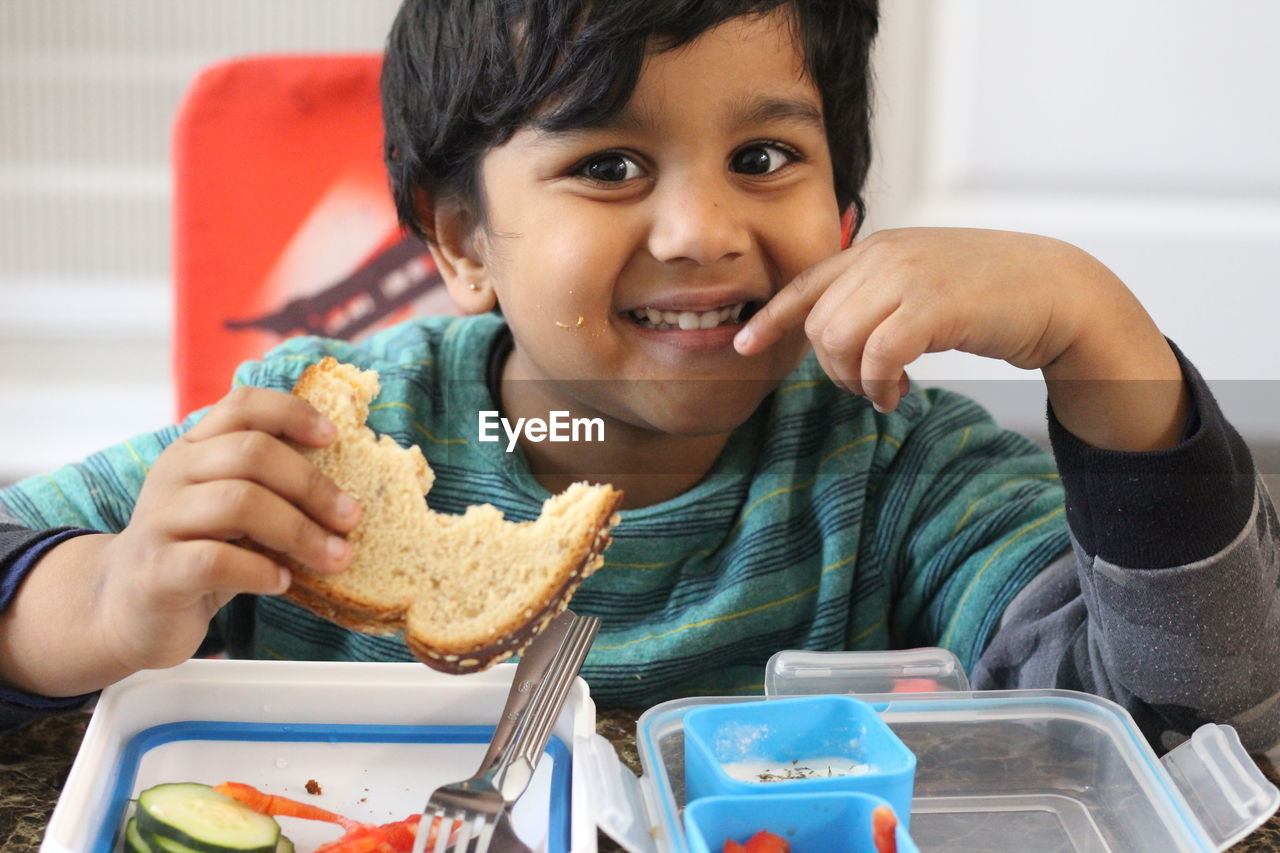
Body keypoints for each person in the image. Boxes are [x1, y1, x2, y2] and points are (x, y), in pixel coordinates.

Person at [2, 0, 1277, 753]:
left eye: (766, 157)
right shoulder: (312, 439)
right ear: (459, 240)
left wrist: (1108, 349)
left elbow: (1191, 716)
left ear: (845, 201)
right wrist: (110, 601)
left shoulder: (895, 465)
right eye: (610, 167)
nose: (702, 231)